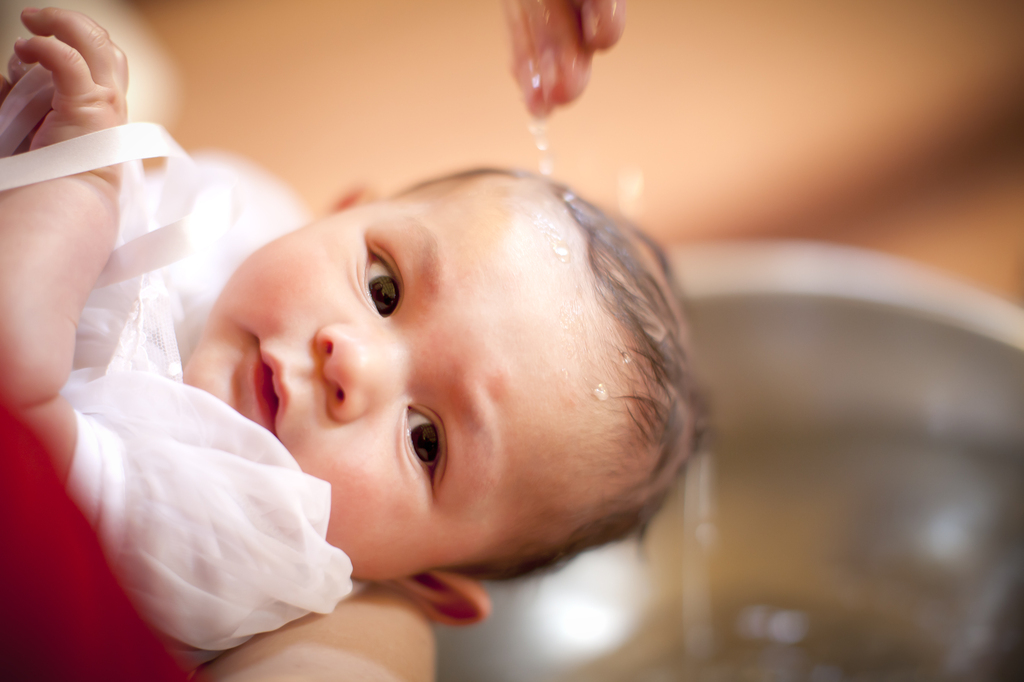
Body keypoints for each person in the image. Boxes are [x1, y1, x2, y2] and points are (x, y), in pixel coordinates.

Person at [0, 2, 697, 673]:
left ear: (423, 583)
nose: (351, 362)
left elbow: (19, 417)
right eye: (383, 289)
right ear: (343, 211)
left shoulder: (232, 536)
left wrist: (78, 183)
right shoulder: (250, 219)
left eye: (426, 441)